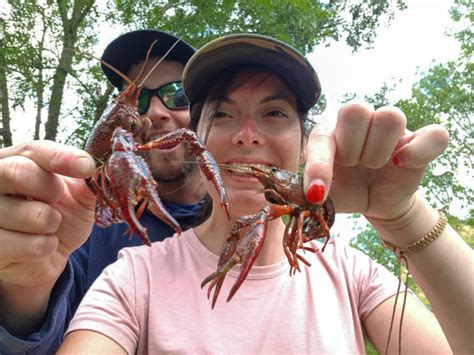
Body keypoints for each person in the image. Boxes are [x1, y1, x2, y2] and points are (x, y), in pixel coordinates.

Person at [57, 34, 473, 354]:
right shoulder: (132, 276)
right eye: (222, 114)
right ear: (193, 139)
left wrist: (402, 215)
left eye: (274, 113)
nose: (246, 136)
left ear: (306, 144)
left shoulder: (351, 273)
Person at [0, 30, 208, 354]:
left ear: (209, 112)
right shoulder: (81, 227)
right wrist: (22, 288)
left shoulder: (239, 218)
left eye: (176, 94)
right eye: (138, 99)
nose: (153, 112)